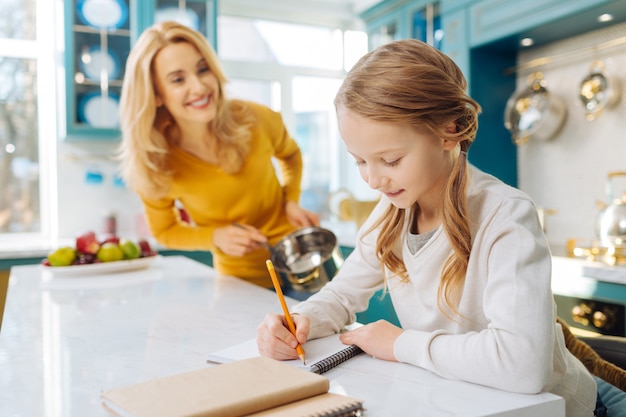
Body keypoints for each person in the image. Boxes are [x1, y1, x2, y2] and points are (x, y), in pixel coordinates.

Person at [256, 39, 601, 416]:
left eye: (390, 159)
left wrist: (401, 344)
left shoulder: (505, 216)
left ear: (449, 131)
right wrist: (302, 321)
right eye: (359, 162)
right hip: (463, 400)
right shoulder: (392, 209)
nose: (373, 179)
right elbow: (341, 296)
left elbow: (523, 364)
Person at [117, 21, 319, 288]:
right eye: (178, 79)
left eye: (203, 69)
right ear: (156, 95)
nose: (199, 87)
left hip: (302, 264)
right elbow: (165, 231)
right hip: (240, 281)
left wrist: (291, 199)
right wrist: (215, 237)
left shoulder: (257, 119)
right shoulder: (156, 161)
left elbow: (290, 154)